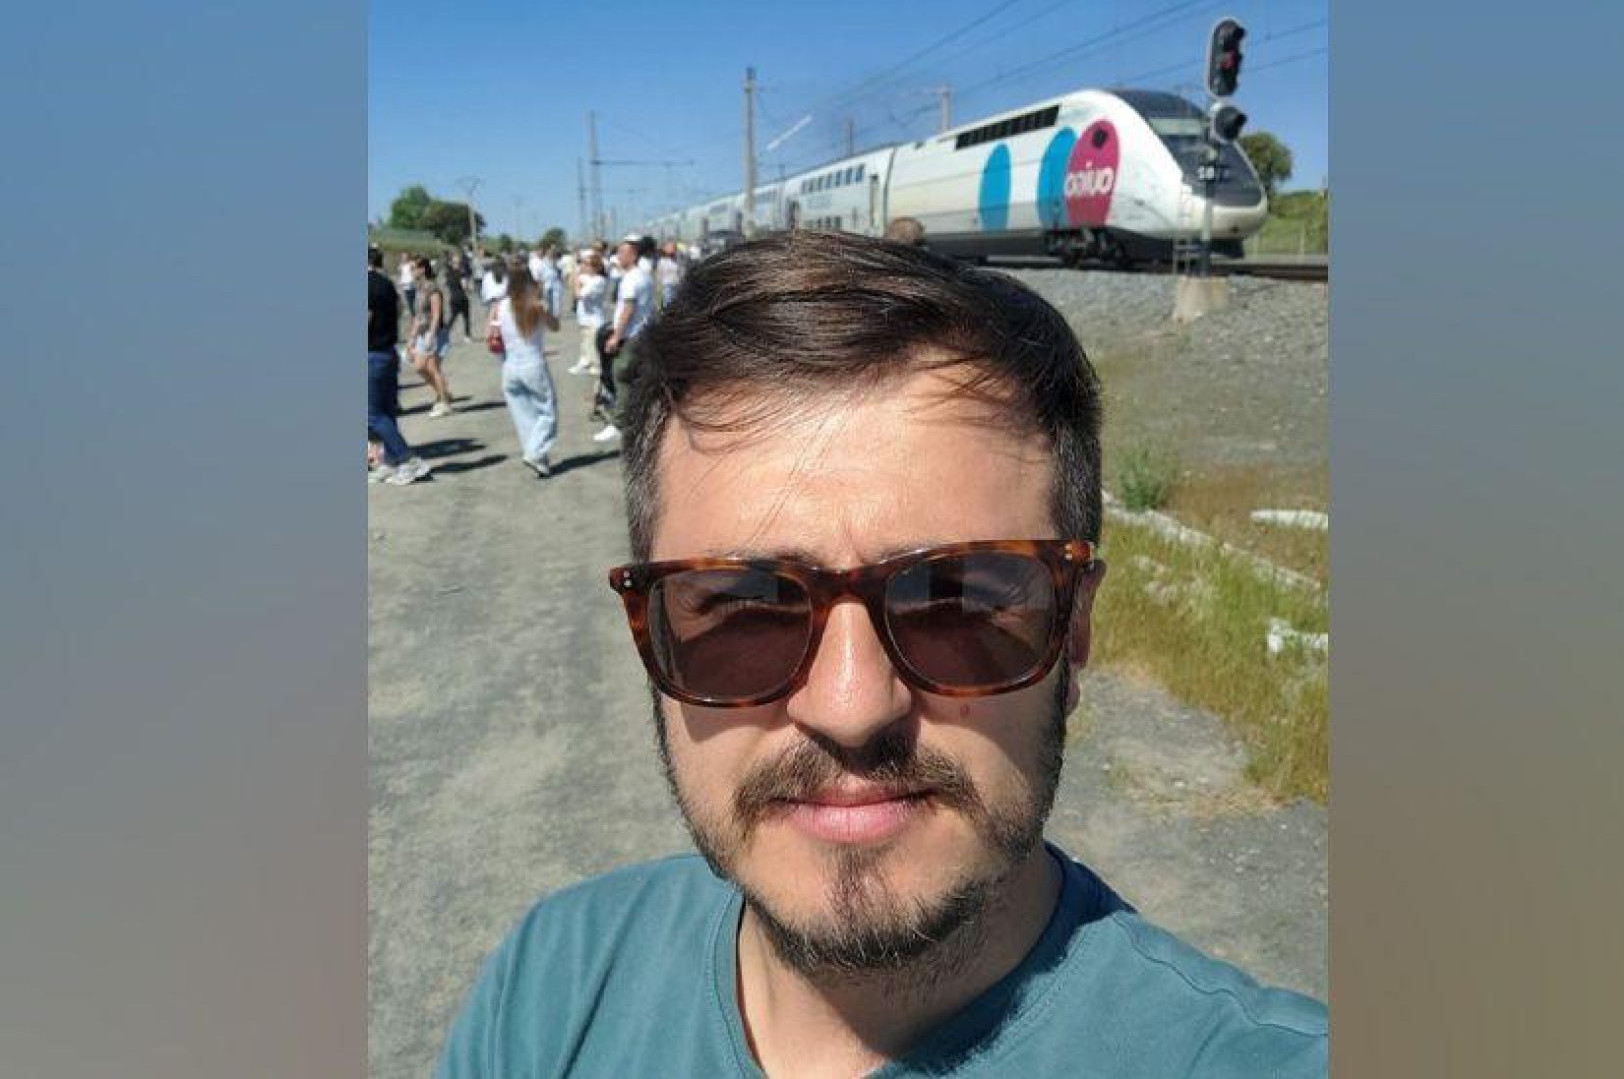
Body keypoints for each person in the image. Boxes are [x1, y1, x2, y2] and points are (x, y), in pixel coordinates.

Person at [436, 231, 1326, 1077]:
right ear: (652, 633)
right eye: (745, 609)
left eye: (955, 601)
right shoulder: (551, 983)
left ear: (1076, 629)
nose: (852, 706)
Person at [366, 248, 431, 485]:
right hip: (388, 352)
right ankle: (391, 461)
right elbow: (401, 310)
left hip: (371, 354)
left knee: (371, 414)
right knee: (386, 411)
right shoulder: (387, 284)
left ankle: (408, 459)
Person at [492, 264, 561, 478]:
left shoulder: (501, 305)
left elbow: (494, 332)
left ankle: (539, 460)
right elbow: (555, 326)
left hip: (510, 365)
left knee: (524, 416)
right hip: (533, 363)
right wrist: (544, 307)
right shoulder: (535, 304)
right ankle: (535, 453)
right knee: (547, 413)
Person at [589, 237, 653, 444]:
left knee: (621, 374)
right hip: (642, 332)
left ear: (632, 255)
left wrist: (616, 336)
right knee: (636, 376)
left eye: (621, 253)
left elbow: (628, 308)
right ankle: (640, 418)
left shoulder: (631, 279)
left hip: (631, 335)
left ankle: (619, 424)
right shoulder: (642, 276)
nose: (618, 257)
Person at [408, 258, 454, 418]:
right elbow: (418, 316)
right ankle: (443, 393)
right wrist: (411, 338)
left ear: (422, 269)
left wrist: (431, 335)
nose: (411, 271)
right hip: (422, 333)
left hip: (435, 332)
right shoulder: (419, 288)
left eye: (413, 268)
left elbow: (436, 314)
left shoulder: (432, 288)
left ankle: (444, 403)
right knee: (419, 367)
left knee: (433, 367)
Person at [567, 249, 608, 376]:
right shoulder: (587, 277)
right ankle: (584, 364)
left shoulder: (598, 281)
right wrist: (575, 274)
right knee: (586, 346)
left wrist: (576, 277)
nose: (583, 266)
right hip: (585, 320)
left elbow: (578, 294)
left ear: (595, 267)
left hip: (593, 322)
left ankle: (598, 377)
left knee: (594, 354)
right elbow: (571, 283)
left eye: (586, 264)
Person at [444, 250, 474, 342]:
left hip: (453, 298)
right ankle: (467, 336)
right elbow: (464, 286)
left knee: (452, 318)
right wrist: (470, 289)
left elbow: (447, 285)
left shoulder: (448, 274)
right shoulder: (461, 274)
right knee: (466, 318)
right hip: (462, 298)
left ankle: (444, 333)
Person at [398, 252, 417, 318]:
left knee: (413, 301)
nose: (404, 258)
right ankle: (413, 315)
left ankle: (414, 315)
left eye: (405, 256)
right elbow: (401, 275)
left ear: (408, 256)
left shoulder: (412, 263)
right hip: (404, 285)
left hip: (411, 284)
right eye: (403, 256)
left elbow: (415, 273)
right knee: (409, 302)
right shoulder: (401, 265)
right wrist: (400, 283)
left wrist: (414, 281)